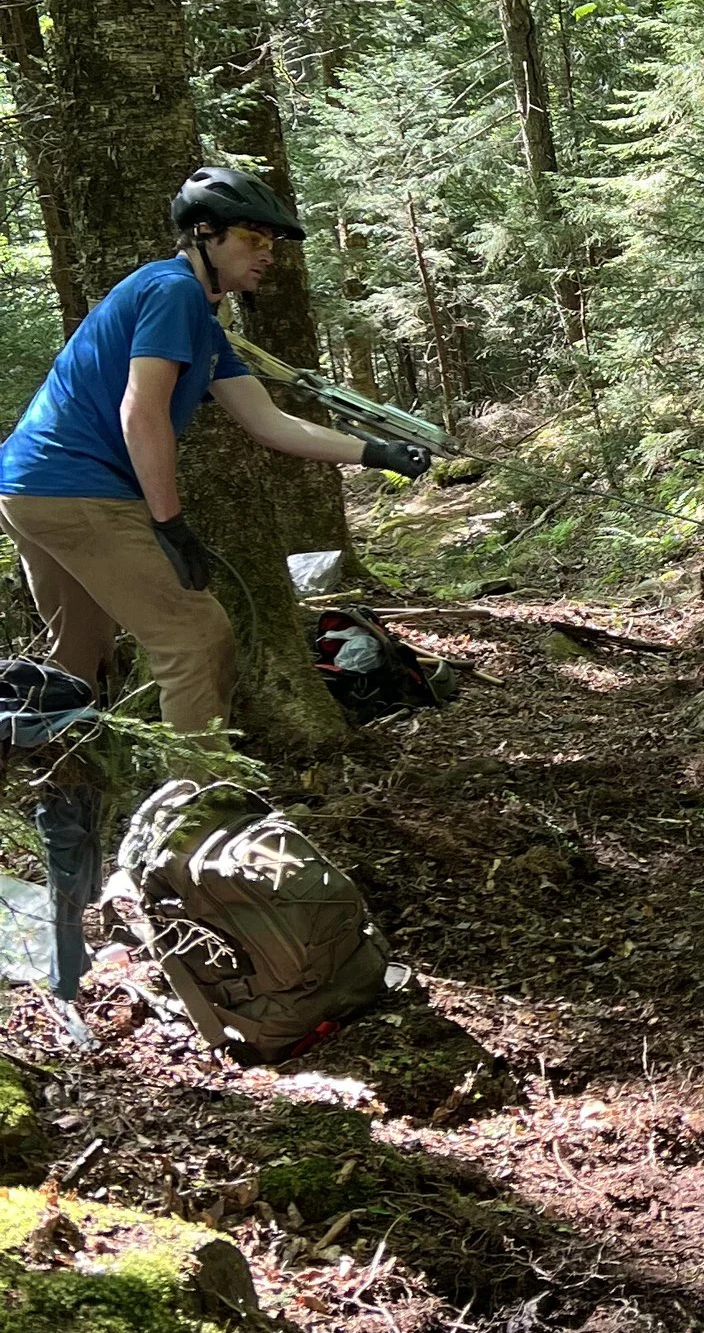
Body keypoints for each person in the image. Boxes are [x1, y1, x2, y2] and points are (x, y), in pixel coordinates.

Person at [0, 168, 432, 997]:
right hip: (77, 490)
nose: (266, 253)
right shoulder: (169, 292)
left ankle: (75, 873)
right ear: (205, 237)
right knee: (196, 638)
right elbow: (139, 412)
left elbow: (266, 420)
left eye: (270, 240)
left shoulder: (200, 317)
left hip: (32, 487)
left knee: (68, 682)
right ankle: (196, 844)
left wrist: (374, 452)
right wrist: (166, 522)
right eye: (252, 238)